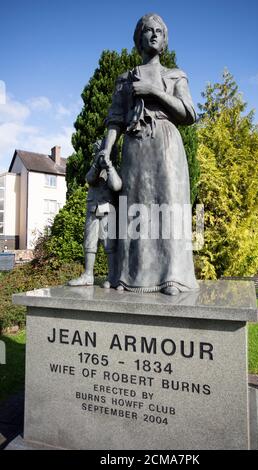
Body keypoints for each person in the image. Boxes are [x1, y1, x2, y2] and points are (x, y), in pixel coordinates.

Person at [89, 13, 198, 295]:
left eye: (159, 31)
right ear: (139, 38)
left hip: (166, 146)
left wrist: (154, 92)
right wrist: (106, 153)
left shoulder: (175, 75)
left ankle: (172, 276)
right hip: (135, 148)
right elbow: (114, 120)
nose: (153, 35)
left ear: (164, 40)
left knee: (169, 207)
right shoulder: (125, 80)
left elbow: (188, 113)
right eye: (148, 31)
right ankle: (128, 276)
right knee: (132, 210)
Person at [68, 140, 122, 287]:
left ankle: (113, 276)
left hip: (108, 210)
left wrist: (109, 166)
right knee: (89, 242)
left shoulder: (115, 169)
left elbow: (116, 186)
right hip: (93, 208)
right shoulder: (94, 169)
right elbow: (89, 178)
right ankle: (88, 275)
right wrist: (97, 164)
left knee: (109, 243)